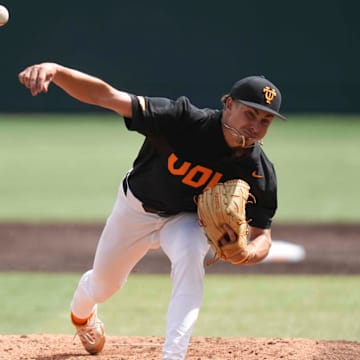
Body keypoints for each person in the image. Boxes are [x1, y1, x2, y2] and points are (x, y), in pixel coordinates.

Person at [18, 63, 286, 360]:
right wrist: (56, 71)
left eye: (265, 121)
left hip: (185, 220)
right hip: (136, 209)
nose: (256, 126)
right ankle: (83, 317)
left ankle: (173, 355)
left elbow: (263, 235)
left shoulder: (259, 170)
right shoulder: (182, 120)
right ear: (228, 104)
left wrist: (248, 253)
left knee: (189, 258)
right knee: (104, 286)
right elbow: (106, 96)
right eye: (250, 113)